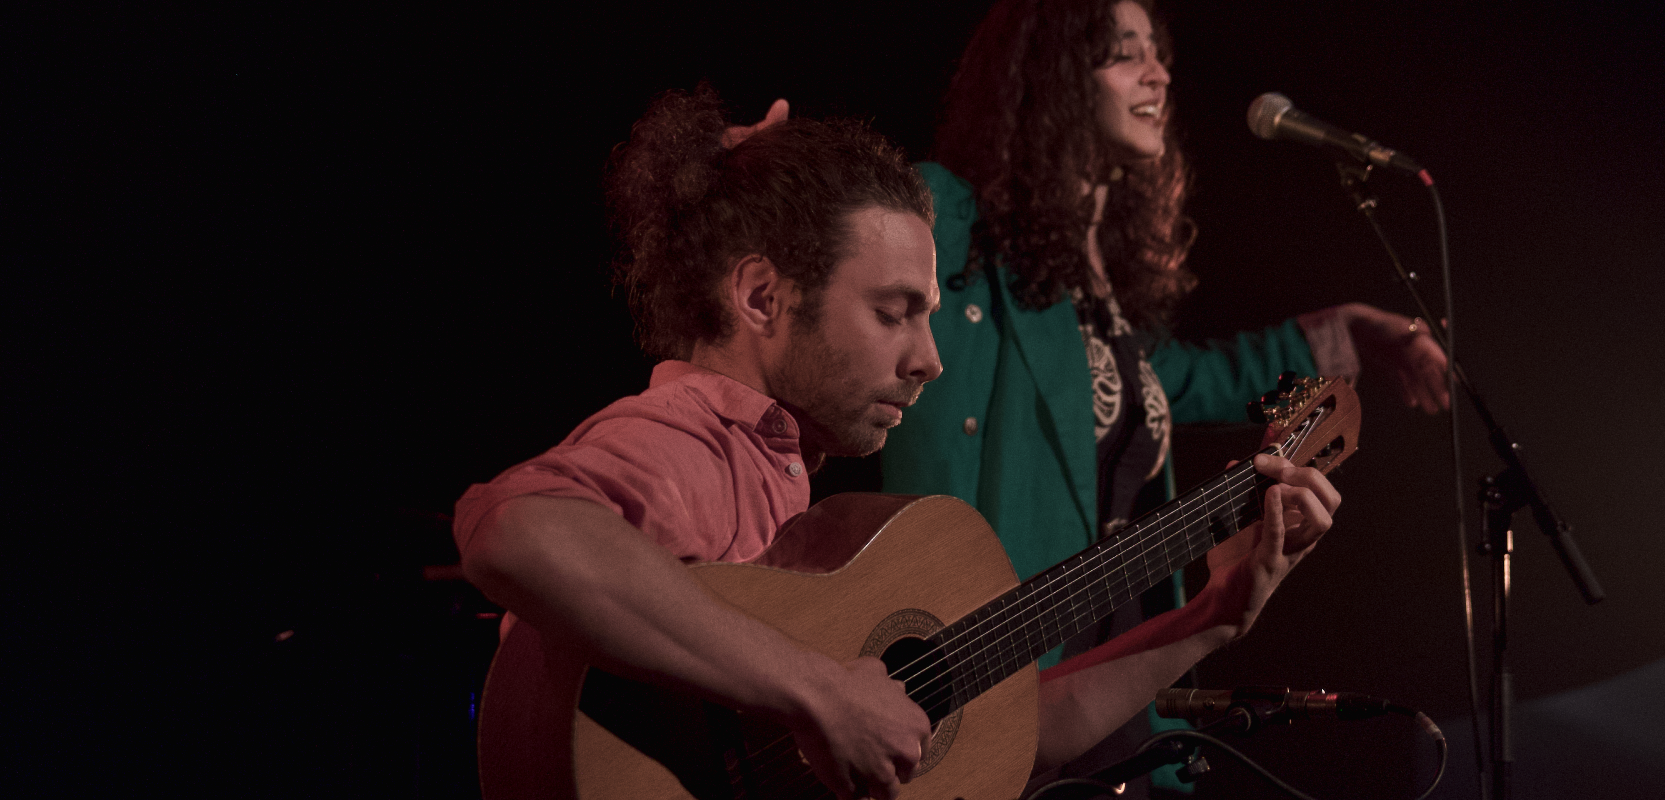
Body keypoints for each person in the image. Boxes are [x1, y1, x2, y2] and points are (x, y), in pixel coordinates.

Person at [454, 86, 1341, 800]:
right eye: (893, 313)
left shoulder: (790, 486)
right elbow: (512, 529)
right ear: (762, 298)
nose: (929, 359)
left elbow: (1014, 730)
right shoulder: (695, 441)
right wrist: (820, 690)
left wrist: (1212, 617)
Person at [865, 0, 1454, 793]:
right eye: (1123, 53)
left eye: (1158, 52)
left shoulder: (1095, 292)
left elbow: (1188, 378)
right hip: (991, 688)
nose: (1159, 71)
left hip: (1107, 694)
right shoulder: (955, 218)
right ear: (1054, 80)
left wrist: (1351, 331)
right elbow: (851, 249)